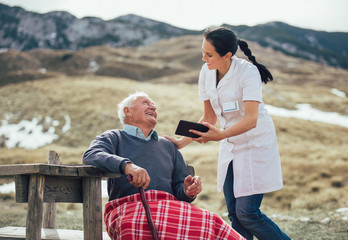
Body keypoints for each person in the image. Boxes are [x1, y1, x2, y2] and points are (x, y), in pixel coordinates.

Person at [165, 27, 291, 240]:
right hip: (230, 144)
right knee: (234, 213)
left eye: (209, 54)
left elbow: (251, 119)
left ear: (227, 55)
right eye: (203, 52)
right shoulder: (206, 71)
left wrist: (220, 136)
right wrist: (181, 142)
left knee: (247, 212)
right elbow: (209, 118)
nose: (204, 58)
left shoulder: (247, 73)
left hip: (254, 144)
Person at [82, 91, 245, 240]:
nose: (153, 106)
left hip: (171, 208)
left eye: (153, 105)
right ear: (128, 111)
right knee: (134, 225)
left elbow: (180, 188)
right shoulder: (113, 137)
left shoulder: (167, 146)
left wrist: (188, 191)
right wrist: (127, 166)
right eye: (145, 102)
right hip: (129, 207)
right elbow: (91, 155)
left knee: (212, 222)